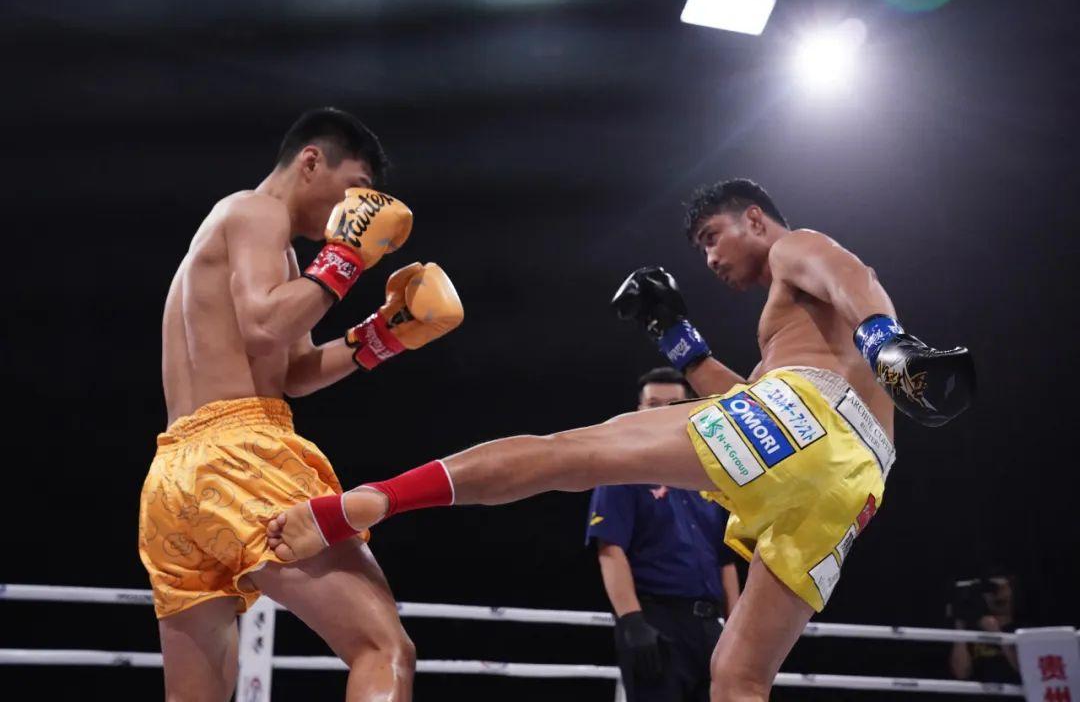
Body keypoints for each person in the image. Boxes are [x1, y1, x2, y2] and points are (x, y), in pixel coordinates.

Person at [268, 178, 975, 701]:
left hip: (813, 416)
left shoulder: (797, 246)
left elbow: (851, 276)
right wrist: (676, 335)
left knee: (568, 453)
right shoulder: (796, 333)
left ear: (755, 219)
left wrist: (890, 343)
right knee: (737, 676)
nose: (709, 258)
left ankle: (371, 501)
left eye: (712, 237)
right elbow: (751, 404)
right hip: (852, 481)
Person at [138, 107, 464, 701]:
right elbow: (265, 325)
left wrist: (383, 334)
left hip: (173, 479)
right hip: (240, 457)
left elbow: (292, 371)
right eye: (356, 188)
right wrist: (346, 258)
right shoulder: (256, 211)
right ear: (311, 160)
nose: (356, 209)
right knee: (383, 649)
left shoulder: (256, 241)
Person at [588, 366, 741, 701]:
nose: (661, 413)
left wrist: (737, 627)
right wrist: (632, 621)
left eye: (671, 405)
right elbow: (610, 549)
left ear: (688, 408)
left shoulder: (707, 471)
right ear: (639, 410)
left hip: (709, 625)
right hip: (656, 620)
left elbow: (725, 558)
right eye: (653, 404)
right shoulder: (621, 469)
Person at [948, 571, 1021, 685]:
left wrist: (998, 634)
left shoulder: (1022, 629)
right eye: (990, 590)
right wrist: (960, 624)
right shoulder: (973, 631)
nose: (995, 593)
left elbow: (1025, 669)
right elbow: (961, 673)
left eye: (1002, 587)